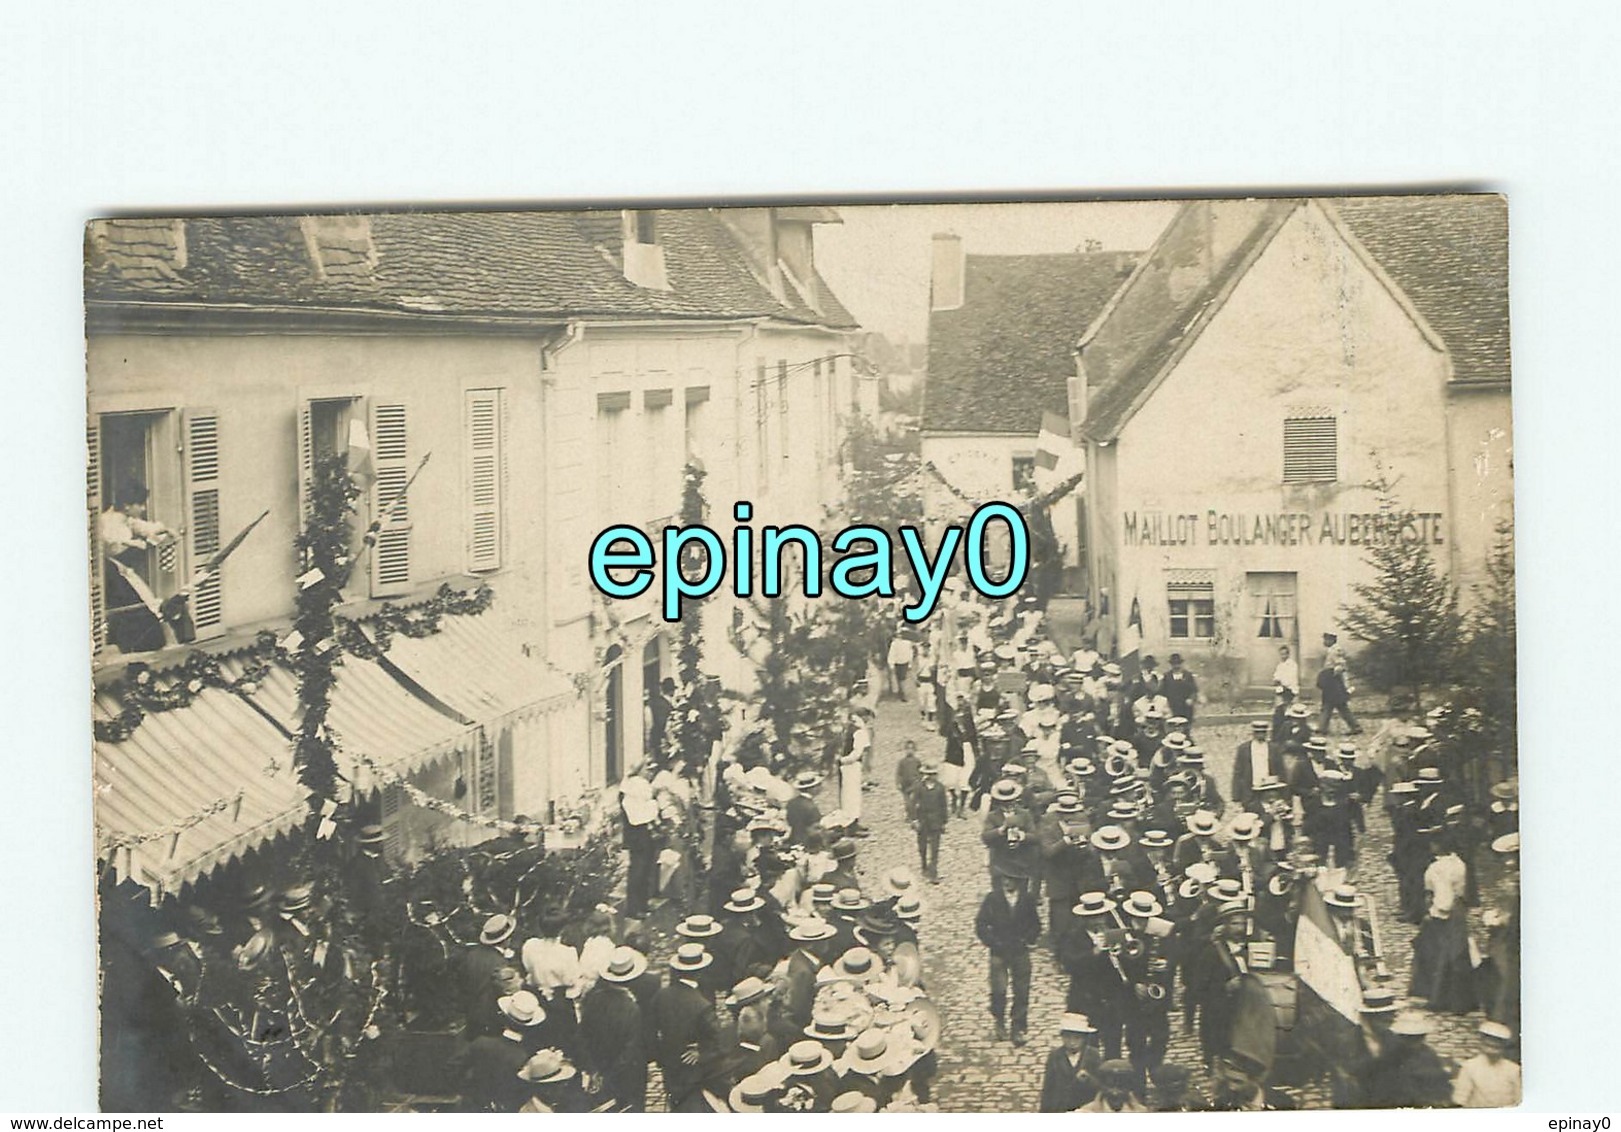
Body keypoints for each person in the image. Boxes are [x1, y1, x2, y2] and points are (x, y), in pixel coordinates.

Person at [576, 946, 650, 1112]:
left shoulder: (592, 999)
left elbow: (582, 1036)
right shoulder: (631, 1008)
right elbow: (630, 1050)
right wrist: (611, 1074)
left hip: (599, 1067)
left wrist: (593, 1070)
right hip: (625, 1076)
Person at [975, 866, 1042, 1046]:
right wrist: (993, 942)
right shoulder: (993, 899)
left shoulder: (1027, 900)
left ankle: (1018, 1027)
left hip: (1020, 951)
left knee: (1022, 990)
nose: (1007, 882)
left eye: (1011, 879)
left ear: (1019, 881)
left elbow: (1036, 925)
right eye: (1005, 878)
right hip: (999, 952)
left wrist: (1028, 939)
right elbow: (981, 924)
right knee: (999, 990)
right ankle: (999, 1021)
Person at [1039, 1012, 1102, 1112]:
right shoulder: (1055, 1056)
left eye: (1077, 1038)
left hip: (1085, 1105)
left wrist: (1088, 1079)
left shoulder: (1093, 1055)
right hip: (1061, 1107)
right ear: (1062, 1037)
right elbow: (1048, 1087)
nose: (1072, 1042)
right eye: (1068, 1037)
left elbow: (1101, 1085)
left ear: (1084, 1038)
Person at [1452, 1021, 1522, 1108]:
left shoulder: (1513, 1069)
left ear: (1503, 1045)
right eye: (1489, 1041)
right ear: (1482, 1042)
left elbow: (1519, 1099)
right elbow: (1460, 1099)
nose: (1493, 1044)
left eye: (1498, 1042)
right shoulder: (1469, 1067)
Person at [909, 761, 949, 883]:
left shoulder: (940, 788)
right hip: (923, 820)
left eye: (933, 774)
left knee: (935, 848)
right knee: (922, 846)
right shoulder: (919, 787)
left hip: (936, 821)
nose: (931, 776)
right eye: (929, 774)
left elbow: (944, 805)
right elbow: (913, 804)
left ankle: (933, 871)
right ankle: (924, 865)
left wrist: (944, 821)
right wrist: (914, 819)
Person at [1317, 632, 1363, 736]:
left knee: (1336, 705)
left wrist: (1331, 675)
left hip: (1334, 682)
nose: (1324, 642)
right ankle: (1322, 728)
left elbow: (1340, 665)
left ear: (1332, 640)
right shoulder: (1331, 650)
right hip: (1332, 682)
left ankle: (1323, 728)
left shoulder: (1335, 650)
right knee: (1332, 705)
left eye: (1326, 639)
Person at [1075, 1059, 1147, 1112]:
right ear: (1101, 1087)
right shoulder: (1085, 1113)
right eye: (1110, 1087)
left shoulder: (1142, 1113)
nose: (1115, 1093)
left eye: (1120, 1087)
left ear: (1129, 1087)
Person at [1162, 654, 1198, 722]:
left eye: (1178, 663)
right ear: (1171, 664)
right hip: (1172, 705)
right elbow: (1163, 691)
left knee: (1185, 725)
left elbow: (1194, 690)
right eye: (1174, 664)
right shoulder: (1167, 676)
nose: (1176, 666)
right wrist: (1165, 704)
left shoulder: (1188, 675)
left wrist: (1191, 699)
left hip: (1185, 707)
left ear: (1181, 664)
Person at [887, 627, 916, 702]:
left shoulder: (907, 643)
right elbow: (892, 654)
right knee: (900, 679)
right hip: (898, 663)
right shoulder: (895, 644)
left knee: (902, 679)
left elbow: (910, 654)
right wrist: (891, 664)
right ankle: (901, 694)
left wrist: (909, 663)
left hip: (904, 662)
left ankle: (904, 695)